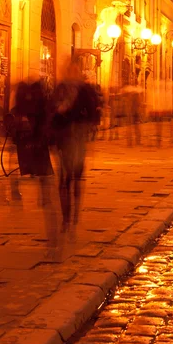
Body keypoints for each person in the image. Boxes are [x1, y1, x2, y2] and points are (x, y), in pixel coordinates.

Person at [51, 60, 101, 231]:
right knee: (64, 178)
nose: (72, 72)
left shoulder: (86, 90)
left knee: (77, 176)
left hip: (78, 137)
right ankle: (66, 218)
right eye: (69, 69)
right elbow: (51, 112)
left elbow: (94, 111)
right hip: (63, 137)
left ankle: (75, 216)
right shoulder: (60, 89)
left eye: (74, 69)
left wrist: (90, 126)